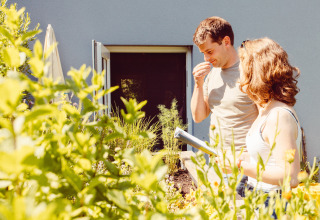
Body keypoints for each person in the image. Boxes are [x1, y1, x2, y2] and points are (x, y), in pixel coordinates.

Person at [219, 37, 302, 218]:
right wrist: (244, 158)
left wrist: (240, 166)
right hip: (259, 199)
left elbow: (290, 176)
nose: (238, 75)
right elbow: (269, 158)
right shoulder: (266, 110)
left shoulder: (279, 115)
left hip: (273, 204)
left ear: (254, 71)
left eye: (241, 68)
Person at [191, 16, 258, 153]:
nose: (206, 59)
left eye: (209, 51)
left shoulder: (251, 71)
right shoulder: (212, 74)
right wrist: (198, 83)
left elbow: (269, 117)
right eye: (203, 53)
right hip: (218, 162)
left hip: (245, 163)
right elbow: (198, 116)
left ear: (226, 41)